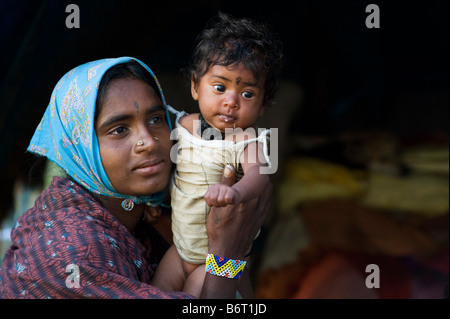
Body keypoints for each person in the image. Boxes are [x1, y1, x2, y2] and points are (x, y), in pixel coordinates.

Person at [0, 56, 271, 299]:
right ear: (81, 146)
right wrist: (226, 256)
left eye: (155, 119)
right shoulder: (71, 251)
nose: (148, 142)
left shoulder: (143, 215)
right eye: (119, 129)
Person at [151, 13, 283, 297]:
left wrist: (236, 193)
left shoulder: (246, 139)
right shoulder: (184, 125)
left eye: (247, 94)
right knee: (155, 292)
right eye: (220, 87)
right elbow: (163, 166)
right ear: (195, 86)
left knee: (195, 296)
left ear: (262, 106)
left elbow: (259, 176)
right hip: (180, 251)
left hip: (215, 259)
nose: (231, 101)